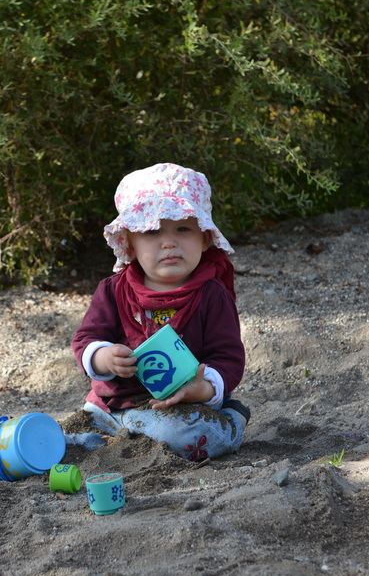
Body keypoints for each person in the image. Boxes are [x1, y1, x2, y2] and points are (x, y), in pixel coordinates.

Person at [70, 163, 249, 461]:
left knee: (186, 437)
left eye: (183, 229)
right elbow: (85, 339)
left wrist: (203, 389)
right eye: (152, 230)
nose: (169, 242)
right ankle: (117, 438)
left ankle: (232, 419)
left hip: (179, 407)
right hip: (111, 407)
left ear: (205, 238)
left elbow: (228, 357)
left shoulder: (211, 294)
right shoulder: (113, 291)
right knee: (74, 438)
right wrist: (105, 357)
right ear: (129, 242)